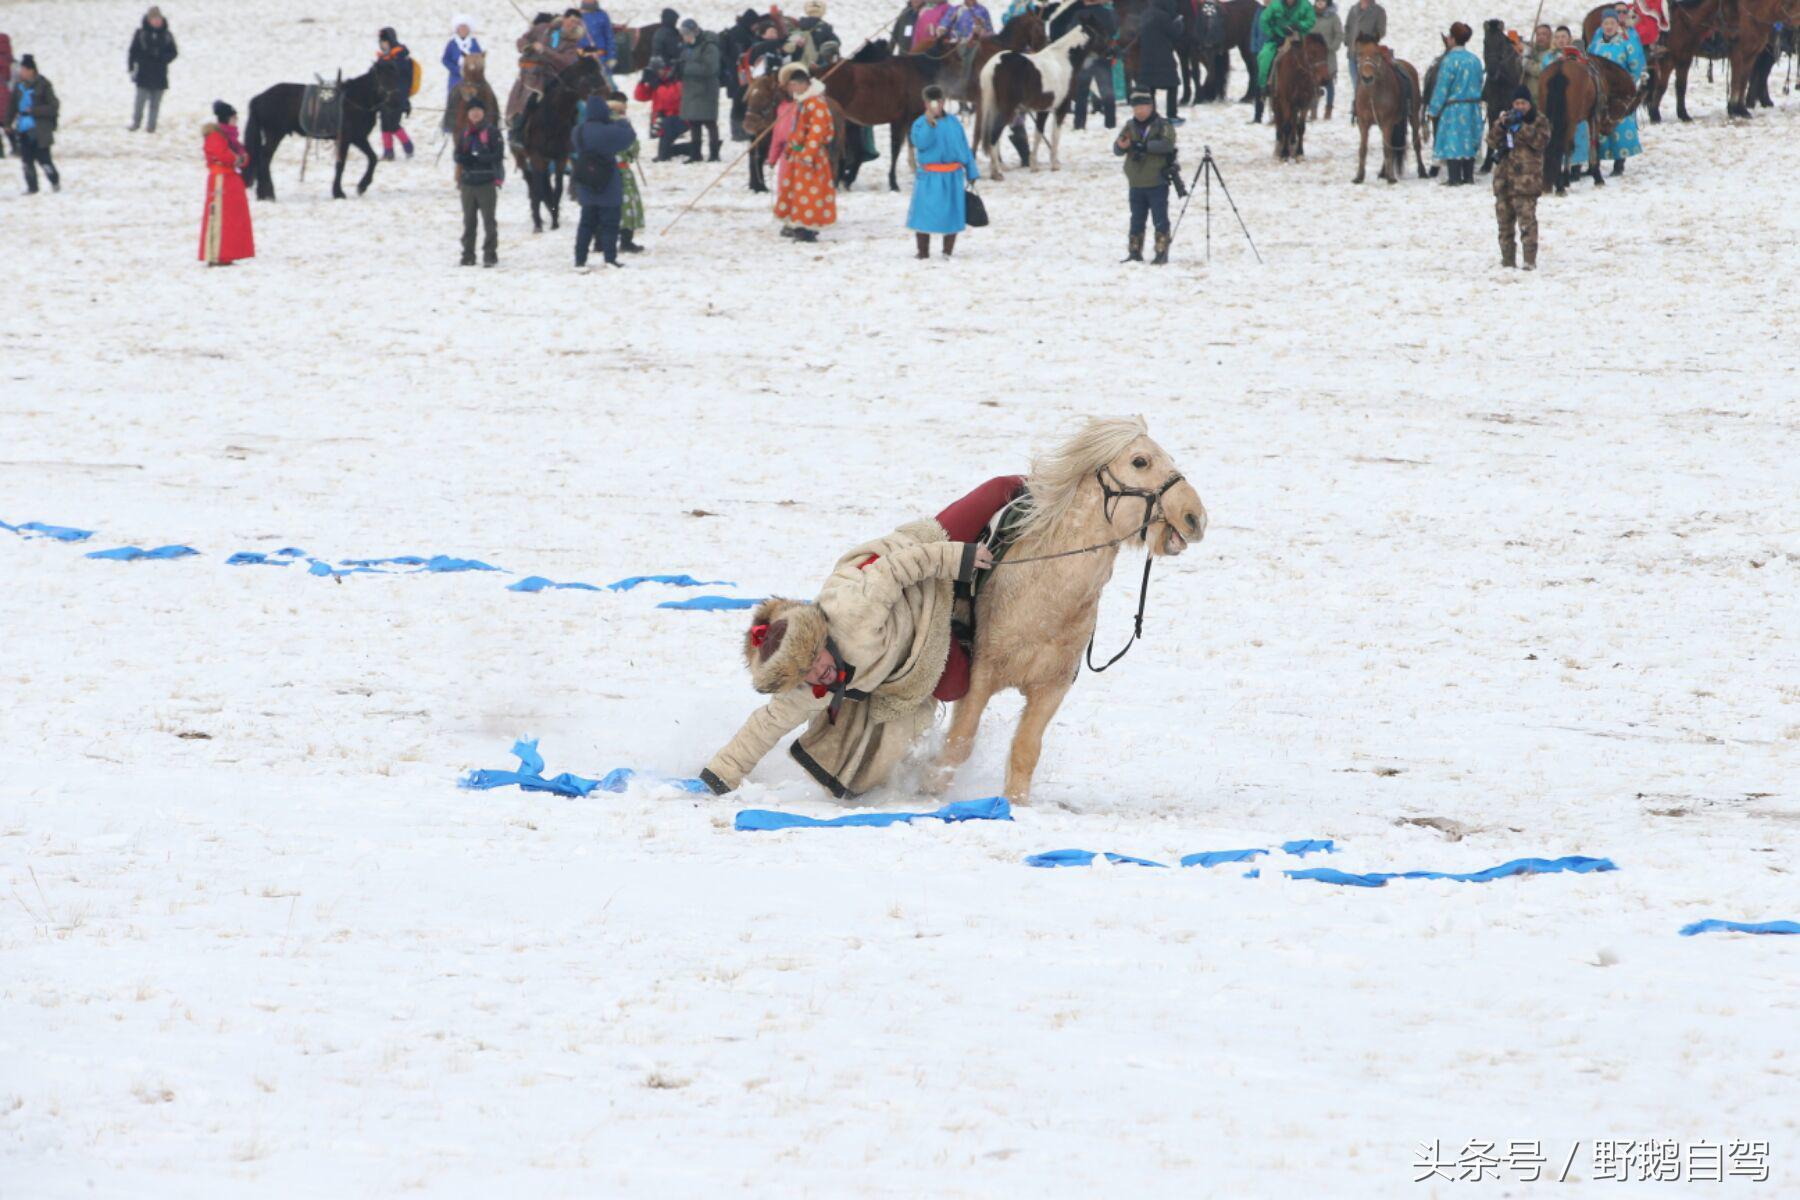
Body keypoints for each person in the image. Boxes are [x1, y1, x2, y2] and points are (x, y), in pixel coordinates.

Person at [696, 518, 997, 800]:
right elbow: (765, 725)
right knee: (954, 686)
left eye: (815, 657)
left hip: (915, 560)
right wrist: (721, 776)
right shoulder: (803, 692)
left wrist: (956, 558)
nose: (819, 670)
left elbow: (896, 568)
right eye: (806, 672)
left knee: (999, 489)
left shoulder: (853, 611)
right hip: (917, 643)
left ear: (822, 638)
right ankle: (963, 623)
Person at [907, 85, 979, 259]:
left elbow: (963, 146)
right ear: (925, 103)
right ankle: (922, 252)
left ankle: (947, 251)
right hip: (930, 178)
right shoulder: (919, 123)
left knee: (952, 214)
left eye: (939, 101)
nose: (936, 105)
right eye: (931, 102)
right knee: (924, 214)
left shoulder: (954, 122)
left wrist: (971, 170)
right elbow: (921, 143)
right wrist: (929, 124)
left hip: (953, 176)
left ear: (943, 101)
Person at [570, 94, 637, 270]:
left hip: (586, 181)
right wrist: (622, 122)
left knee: (586, 224)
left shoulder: (578, 130)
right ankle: (610, 258)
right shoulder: (610, 131)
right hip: (608, 182)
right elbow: (629, 137)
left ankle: (580, 260)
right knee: (610, 223)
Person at [771, 65, 836, 242]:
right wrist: (792, 147)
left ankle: (807, 229)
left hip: (810, 157)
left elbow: (817, 130)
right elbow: (799, 129)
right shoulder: (804, 102)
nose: (791, 90)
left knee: (809, 193)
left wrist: (808, 153)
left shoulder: (816, 104)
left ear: (800, 84)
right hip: (800, 155)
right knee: (798, 193)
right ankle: (799, 225)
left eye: (792, 86)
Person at [1488, 84, 1546, 269]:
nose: (1520, 106)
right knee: (1504, 224)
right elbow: (1491, 141)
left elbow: (1541, 142)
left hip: (1526, 182)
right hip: (1504, 180)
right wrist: (1501, 125)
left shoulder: (1539, 120)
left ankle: (1529, 260)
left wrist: (1521, 127)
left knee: (1527, 222)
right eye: (1517, 103)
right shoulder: (1506, 119)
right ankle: (1507, 260)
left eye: (1523, 103)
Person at [1114, 90, 1176, 264]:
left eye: (1142, 107)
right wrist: (1122, 145)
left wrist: (1143, 145)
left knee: (1160, 219)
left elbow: (1166, 145)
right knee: (1136, 219)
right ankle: (1134, 251)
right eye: (1135, 108)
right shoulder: (1130, 126)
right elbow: (1117, 149)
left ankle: (1161, 251)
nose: (1139, 111)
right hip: (1136, 181)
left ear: (1151, 106)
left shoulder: (1162, 125)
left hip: (1156, 180)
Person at [509, 13, 588, 142]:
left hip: (557, 79)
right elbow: (522, 40)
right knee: (529, 100)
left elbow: (565, 61)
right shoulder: (542, 29)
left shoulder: (572, 43)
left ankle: (576, 138)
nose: (573, 24)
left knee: (574, 106)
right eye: (571, 20)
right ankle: (518, 132)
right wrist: (527, 46)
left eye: (577, 22)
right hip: (534, 76)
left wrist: (545, 51)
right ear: (564, 19)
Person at [1585, 12, 1644, 175]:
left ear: (1617, 24)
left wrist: (1627, 87)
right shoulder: (1595, 44)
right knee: (1597, 126)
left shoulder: (1626, 42)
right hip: (1600, 94)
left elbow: (1636, 65)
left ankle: (1619, 163)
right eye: (1606, 23)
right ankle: (1594, 164)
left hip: (1619, 94)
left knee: (1620, 126)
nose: (1609, 27)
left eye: (1612, 23)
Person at [1428, 22, 1484, 185]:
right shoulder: (1475, 60)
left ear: (1452, 39)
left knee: (1454, 141)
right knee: (1469, 140)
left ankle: (1454, 177)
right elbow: (1480, 81)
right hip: (1473, 107)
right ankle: (1468, 176)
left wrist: (1434, 109)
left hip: (1454, 108)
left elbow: (1442, 86)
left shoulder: (1449, 60)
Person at [199, 101, 253, 266]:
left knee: (231, 219)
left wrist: (241, 159)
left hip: (230, 180)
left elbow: (241, 155)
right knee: (219, 217)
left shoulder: (230, 137)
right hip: (221, 181)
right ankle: (217, 254)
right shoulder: (217, 136)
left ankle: (227, 253)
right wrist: (239, 159)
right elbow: (225, 156)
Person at [454, 96, 504, 266]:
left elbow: (498, 155)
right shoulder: (464, 133)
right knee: (469, 221)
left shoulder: (492, 132)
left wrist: (478, 158)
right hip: (468, 183)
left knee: (489, 221)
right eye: (472, 110)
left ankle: (490, 254)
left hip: (486, 182)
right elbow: (457, 154)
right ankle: (468, 254)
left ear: (484, 113)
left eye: (478, 110)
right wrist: (463, 158)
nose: (475, 113)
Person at [7, 54, 59, 194]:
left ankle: (54, 182)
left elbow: (53, 106)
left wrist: (35, 111)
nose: (21, 72)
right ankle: (32, 187)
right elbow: (12, 106)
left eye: (23, 69)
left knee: (44, 159)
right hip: (23, 127)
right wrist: (7, 123)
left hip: (40, 129)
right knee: (26, 160)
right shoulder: (18, 86)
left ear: (31, 70)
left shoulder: (43, 85)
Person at [1255, 0, 1315, 121]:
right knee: (1264, 56)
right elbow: (1264, 19)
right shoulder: (1275, 5)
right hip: (1278, 39)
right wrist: (1273, 32)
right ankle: (1264, 87)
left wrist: (1299, 25)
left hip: (1299, 40)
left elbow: (1311, 20)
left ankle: (1313, 88)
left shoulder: (1305, 5)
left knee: (1313, 58)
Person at [606, 92, 647, 253]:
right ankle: (626, 241)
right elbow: (633, 150)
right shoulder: (623, 125)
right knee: (627, 205)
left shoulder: (598, 123)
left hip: (601, 171)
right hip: (622, 170)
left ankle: (600, 241)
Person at [1070, 0, 1120, 130]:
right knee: (1107, 91)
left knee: (1081, 93)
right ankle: (1110, 123)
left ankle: (1079, 124)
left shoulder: (1078, 14)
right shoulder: (1108, 13)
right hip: (1103, 55)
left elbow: (1070, 34)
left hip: (1084, 58)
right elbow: (1114, 30)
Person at [678, 19, 722, 161]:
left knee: (709, 122)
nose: (685, 37)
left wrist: (686, 68)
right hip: (691, 90)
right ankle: (695, 154)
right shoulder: (688, 47)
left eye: (687, 34)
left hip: (706, 90)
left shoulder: (709, 47)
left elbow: (710, 68)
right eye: (683, 34)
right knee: (694, 122)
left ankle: (714, 154)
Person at [128, 7, 178, 133]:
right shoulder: (140, 34)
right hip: (143, 74)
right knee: (139, 102)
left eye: (158, 18)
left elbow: (174, 52)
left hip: (160, 74)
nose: (157, 21)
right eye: (154, 19)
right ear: (149, 19)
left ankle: (151, 127)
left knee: (155, 105)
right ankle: (136, 123)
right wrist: (131, 67)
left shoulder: (167, 35)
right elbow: (132, 52)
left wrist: (163, 58)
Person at [1138, 0, 1184, 122]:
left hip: (1147, 57)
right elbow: (1174, 33)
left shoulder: (1145, 14)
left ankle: (1152, 115)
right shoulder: (1163, 16)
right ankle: (1172, 114)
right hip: (1163, 56)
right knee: (1172, 85)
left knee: (1150, 88)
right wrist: (1179, 23)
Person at [634, 56, 686, 160]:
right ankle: (688, 148)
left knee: (663, 154)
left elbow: (670, 99)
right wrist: (642, 82)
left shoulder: (674, 78)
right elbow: (640, 97)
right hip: (662, 120)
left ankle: (690, 148)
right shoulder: (657, 81)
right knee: (664, 152)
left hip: (677, 119)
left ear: (662, 69)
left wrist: (657, 86)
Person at [375, 28, 414, 160]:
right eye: (381, 42)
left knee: (394, 124)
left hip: (398, 96)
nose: (383, 44)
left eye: (385, 41)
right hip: (384, 97)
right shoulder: (382, 57)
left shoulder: (401, 55)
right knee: (384, 124)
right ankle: (388, 152)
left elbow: (404, 76)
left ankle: (408, 145)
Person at [441, 16, 482, 132]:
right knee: (454, 100)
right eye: (461, 28)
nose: (463, 30)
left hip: (472, 78)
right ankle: (450, 126)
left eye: (465, 27)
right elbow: (445, 59)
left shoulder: (474, 43)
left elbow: (479, 57)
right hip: (456, 78)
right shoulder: (452, 43)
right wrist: (456, 69)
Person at [1312, 0, 1343, 119]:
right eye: (1318, 1)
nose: (1320, 3)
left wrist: (1332, 46)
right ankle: (1313, 110)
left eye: (1322, 1)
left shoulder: (1333, 17)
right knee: (1313, 82)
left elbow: (1339, 34)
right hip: (1313, 57)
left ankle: (1328, 109)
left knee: (1329, 83)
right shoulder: (1310, 15)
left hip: (1328, 56)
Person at [1521, 23, 1550, 104]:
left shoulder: (1551, 55)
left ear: (1549, 37)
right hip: (1527, 100)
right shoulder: (1532, 52)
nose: (1540, 37)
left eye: (1544, 34)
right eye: (1538, 35)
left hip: (1542, 100)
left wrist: (1527, 63)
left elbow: (1541, 70)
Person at [0, 34, 12, 159]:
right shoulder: (7, 59)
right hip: (4, 92)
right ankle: (15, 146)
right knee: (6, 122)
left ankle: (0, 152)